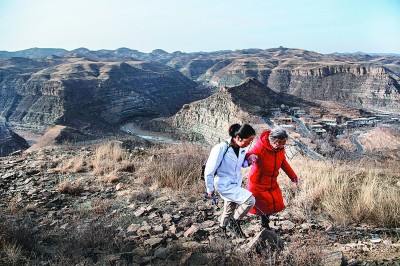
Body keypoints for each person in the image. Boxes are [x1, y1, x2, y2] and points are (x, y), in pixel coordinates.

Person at [204, 123, 256, 238]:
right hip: (223, 184)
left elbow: (240, 164)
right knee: (250, 200)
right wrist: (209, 188)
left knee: (229, 209)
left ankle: (222, 229)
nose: (249, 144)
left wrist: (249, 160)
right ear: (238, 138)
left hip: (235, 183)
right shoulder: (221, 148)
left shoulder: (241, 148)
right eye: (247, 141)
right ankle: (234, 223)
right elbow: (209, 170)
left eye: (250, 142)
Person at [246, 127, 298, 230]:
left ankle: (265, 225)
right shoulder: (261, 146)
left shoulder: (280, 149)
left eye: (284, 143)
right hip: (258, 182)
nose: (282, 146)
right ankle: (237, 221)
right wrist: (251, 157)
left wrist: (293, 176)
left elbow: (283, 162)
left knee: (272, 202)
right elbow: (250, 153)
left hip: (271, 181)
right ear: (273, 141)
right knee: (262, 204)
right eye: (280, 143)